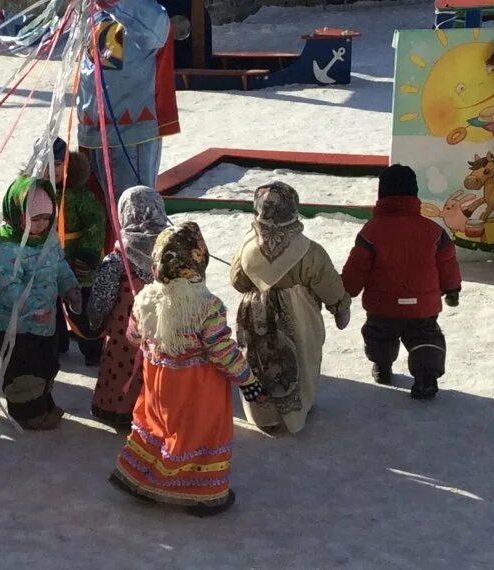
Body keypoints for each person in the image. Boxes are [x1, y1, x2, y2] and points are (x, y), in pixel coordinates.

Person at [110, 223, 266, 516]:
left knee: (158, 427)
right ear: (197, 259)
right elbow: (221, 350)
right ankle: (200, 494)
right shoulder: (206, 305)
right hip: (197, 387)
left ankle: (144, 480)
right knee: (197, 434)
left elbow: (132, 337)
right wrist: (247, 379)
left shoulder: (145, 297)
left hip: (159, 381)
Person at [229, 182, 351, 433]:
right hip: (298, 315)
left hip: (256, 314)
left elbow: (237, 281)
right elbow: (327, 281)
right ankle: (298, 409)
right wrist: (339, 304)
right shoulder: (309, 251)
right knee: (301, 357)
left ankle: (265, 415)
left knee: (258, 360)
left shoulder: (247, 246)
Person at [341, 164, 461, 400]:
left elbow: (358, 267)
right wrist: (452, 289)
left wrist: (346, 290)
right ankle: (426, 376)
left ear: (382, 195)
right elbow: (448, 264)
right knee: (426, 338)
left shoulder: (372, 230)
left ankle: (382, 366)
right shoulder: (433, 231)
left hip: (382, 307)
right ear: (414, 195)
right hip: (422, 308)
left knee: (379, 337)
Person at [73, 0, 178, 198]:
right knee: (97, 214)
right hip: (91, 133)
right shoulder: (92, 19)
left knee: (132, 207)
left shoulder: (146, 18)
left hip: (130, 134)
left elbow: (154, 26)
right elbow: (49, 33)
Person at [0, 177, 80, 430]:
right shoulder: (7, 246)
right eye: (34, 219)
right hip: (15, 325)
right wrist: (30, 310)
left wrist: (70, 287)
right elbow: (8, 286)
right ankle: (27, 413)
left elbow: (59, 265)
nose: (41, 225)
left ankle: (43, 404)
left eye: (46, 218)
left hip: (45, 319)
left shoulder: (49, 239)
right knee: (23, 369)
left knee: (45, 363)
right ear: (17, 215)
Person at [86, 186, 168, 428]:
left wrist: (95, 319)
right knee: (154, 369)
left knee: (122, 369)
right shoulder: (169, 250)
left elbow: (103, 295)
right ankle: (154, 413)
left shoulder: (117, 259)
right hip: (160, 329)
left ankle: (120, 411)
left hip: (124, 333)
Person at [52, 137, 107, 364]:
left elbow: (96, 222)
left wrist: (87, 254)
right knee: (49, 302)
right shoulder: (38, 193)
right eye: (48, 164)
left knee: (82, 306)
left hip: (77, 260)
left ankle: (92, 349)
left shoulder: (79, 194)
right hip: (47, 259)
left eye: (58, 164)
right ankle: (56, 343)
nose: (53, 170)